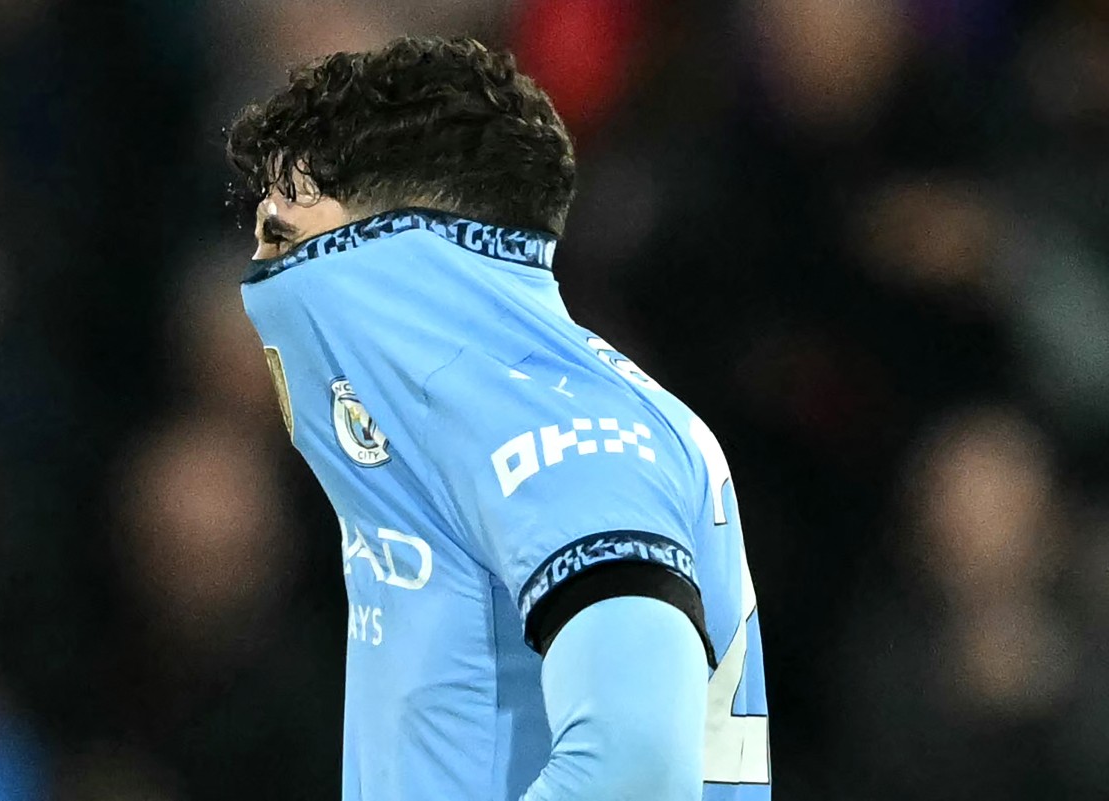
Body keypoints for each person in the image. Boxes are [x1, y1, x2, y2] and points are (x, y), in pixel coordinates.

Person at [226, 35, 769, 801]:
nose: (258, 278)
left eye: (284, 236)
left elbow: (633, 770)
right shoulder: (500, 423)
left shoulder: (562, 437)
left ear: (390, 257)